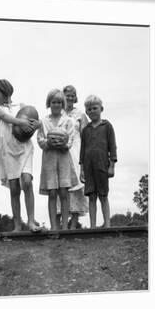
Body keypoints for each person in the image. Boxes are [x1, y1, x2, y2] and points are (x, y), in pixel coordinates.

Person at [0, 79, 42, 232]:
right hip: (8, 150)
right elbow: (6, 118)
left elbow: (35, 121)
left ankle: (31, 222)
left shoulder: (22, 106)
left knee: (27, 181)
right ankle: (17, 225)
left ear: (5, 91)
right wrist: (21, 122)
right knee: (14, 188)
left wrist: (37, 124)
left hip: (24, 148)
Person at [37, 89, 78, 231]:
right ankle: (54, 226)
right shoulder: (43, 121)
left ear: (63, 104)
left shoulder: (68, 121)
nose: (56, 105)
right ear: (49, 103)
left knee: (64, 192)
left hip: (64, 159)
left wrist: (63, 144)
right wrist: (49, 142)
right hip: (49, 159)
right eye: (54, 102)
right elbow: (40, 140)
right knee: (52, 193)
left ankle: (65, 227)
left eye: (59, 102)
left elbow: (70, 140)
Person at [79, 94, 118, 228]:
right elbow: (82, 151)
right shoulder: (85, 130)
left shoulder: (107, 126)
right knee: (91, 196)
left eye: (94, 108)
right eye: (89, 109)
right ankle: (93, 226)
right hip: (88, 167)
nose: (92, 111)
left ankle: (107, 224)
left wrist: (112, 165)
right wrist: (82, 169)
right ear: (86, 112)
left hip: (102, 165)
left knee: (103, 195)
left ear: (101, 109)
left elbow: (112, 147)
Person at [56, 85, 89, 228]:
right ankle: (58, 224)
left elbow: (87, 136)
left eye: (72, 95)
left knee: (76, 187)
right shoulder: (58, 111)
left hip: (76, 151)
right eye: (67, 94)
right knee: (58, 186)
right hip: (60, 151)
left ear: (75, 97)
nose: (69, 97)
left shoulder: (80, 115)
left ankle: (73, 225)